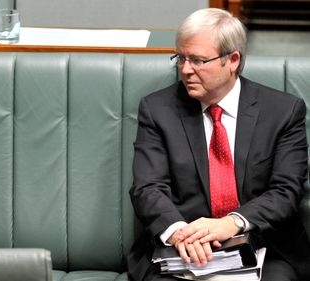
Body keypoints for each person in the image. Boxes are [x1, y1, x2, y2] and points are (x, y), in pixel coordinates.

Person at [127, 8, 310, 281]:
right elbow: (148, 187)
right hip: (181, 249)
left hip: (262, 246)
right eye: (181, 58)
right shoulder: (157, 110)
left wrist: (231, 223)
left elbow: (286, 190)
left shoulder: (283, 112)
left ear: (233, 59)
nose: (186, 70)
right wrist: (179, 232)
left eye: (198, 60)